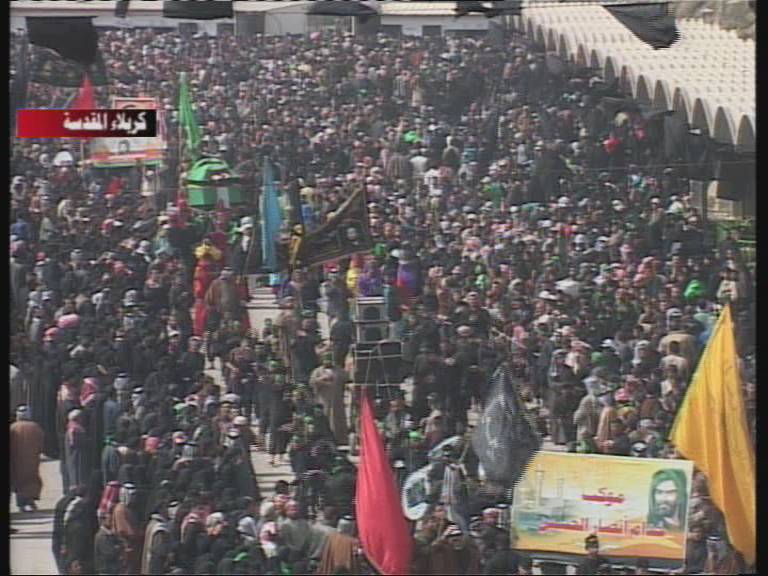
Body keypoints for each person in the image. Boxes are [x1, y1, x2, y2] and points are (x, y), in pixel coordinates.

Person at [309, 352, 350, 446]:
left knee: (338, 420)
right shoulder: (317, 371)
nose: (327, 362)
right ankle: (325, 441)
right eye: (326, 360)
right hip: (323, 401)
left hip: (337, 400)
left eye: (329, 360)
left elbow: (347, 378)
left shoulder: (339, 370)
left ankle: (340, 440)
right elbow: (311, 383)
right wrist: (321, 379)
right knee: (324, 420)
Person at [10, 404, 45, 512]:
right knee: (31, 480)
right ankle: (30, 500)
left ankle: (22, 503)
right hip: (32, 459)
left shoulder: (13, 427)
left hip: (17, 459)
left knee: (19, 481)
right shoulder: (35, 427)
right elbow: (41, 442)